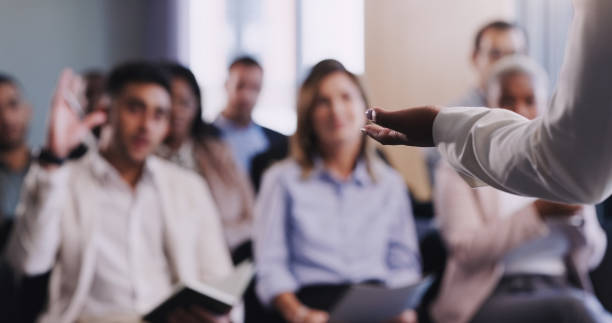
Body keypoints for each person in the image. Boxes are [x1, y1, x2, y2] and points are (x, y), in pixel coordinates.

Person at [6, 62, 233, 323]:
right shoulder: (62, 180)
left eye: (159, 115)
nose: (146, 125)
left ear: (167, 126)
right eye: (135, 109)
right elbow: (29, 262)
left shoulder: (188, 186)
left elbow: (218, 278)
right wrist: (54, 159)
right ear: (105, 111)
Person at [362, 0, 612, 204]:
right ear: (475, 58)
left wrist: (441, 128)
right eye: (495, 54)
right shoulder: (456, 114)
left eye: (514, 54)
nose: (505, 64)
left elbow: (574, 165)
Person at [431, 56, 611, 323]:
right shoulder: (460, 168)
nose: (519, 111)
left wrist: (578, 217)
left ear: (546, 107)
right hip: (490, 294)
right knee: (576, 311)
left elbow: (594, 255)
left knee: (576, 308)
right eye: (506, 100)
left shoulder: (563, 168)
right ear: (487, 105)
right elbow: (466, 252)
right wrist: (538, 212)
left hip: (559, 286)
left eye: (530, 101)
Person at [254, 59, 421, 323]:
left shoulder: (390, 184)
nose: (336, 110)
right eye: (323, 101)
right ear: (308, 114)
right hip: (313, 306)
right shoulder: (281, 180)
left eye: (346, 97)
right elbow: (270, 267)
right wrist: (298, 314)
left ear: (364, 107)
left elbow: (403, 263)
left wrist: (403, 309)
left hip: (376, 304)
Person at [157, 62, 255, 263]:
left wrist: (213, 239)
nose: (177, 112)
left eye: (185, 103)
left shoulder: (219, 152)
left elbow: (252, 218)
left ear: (197, 105)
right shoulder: (145, 161)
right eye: (169, 102)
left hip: (229, 257)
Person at [214, 56, 288, 191]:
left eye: (254, 88)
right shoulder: (204, 137)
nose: (246, 96)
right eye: (240, 86)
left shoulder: (277, 141)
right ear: (226, 85)